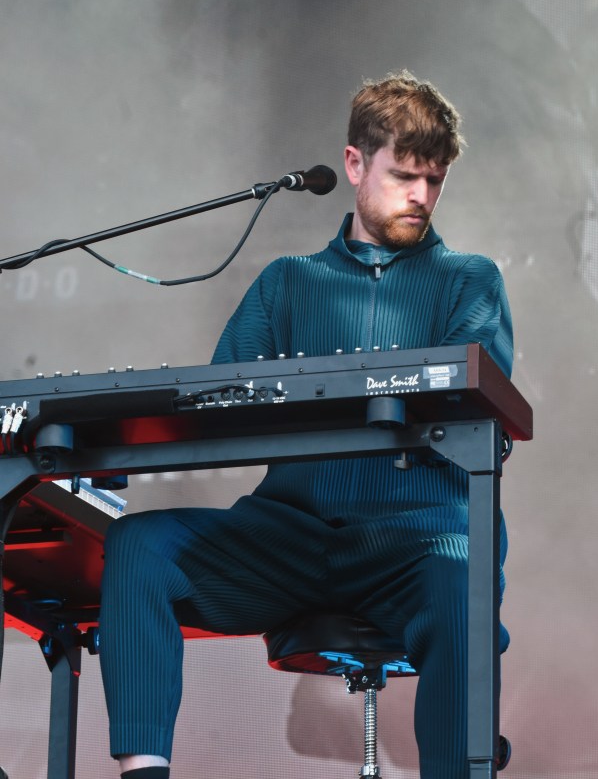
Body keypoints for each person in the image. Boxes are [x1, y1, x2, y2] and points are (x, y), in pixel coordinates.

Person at [98, 70, 514, 779]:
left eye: (434, 180)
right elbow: (218, 403)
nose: (421, 195)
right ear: (354, 163)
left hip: (414, 540)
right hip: (287, 536)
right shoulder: (285, 282)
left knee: (459, 579)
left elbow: (473, 407)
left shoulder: (470, 280)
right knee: (139, 544)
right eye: (404, 175)